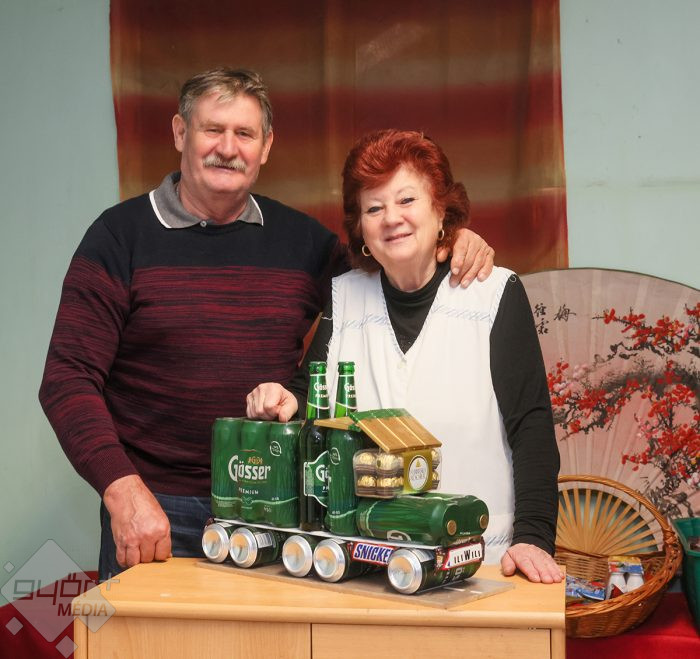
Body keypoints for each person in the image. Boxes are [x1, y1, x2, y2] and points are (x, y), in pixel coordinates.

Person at [39, 70, 495, 582]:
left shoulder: (303, 243)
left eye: (245, 134)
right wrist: (122, 490)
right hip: (157, 510)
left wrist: (449, 237)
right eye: (213, 129)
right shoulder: (118, 237)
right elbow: (66, 380)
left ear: (267, 146)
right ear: (180, 133)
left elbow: (388, 274)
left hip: (279, 510)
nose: (227, 148)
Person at [246, 129, 562, 583]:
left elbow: (531, 426)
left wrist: (534, 536)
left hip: (477, 562)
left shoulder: (494, 294)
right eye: (374, 208)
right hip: (365, 565)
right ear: (361, 230)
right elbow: (307, 391)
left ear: (441, 210)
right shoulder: (344, 296)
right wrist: (283, 400)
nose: (391, 218)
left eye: (407, 200)